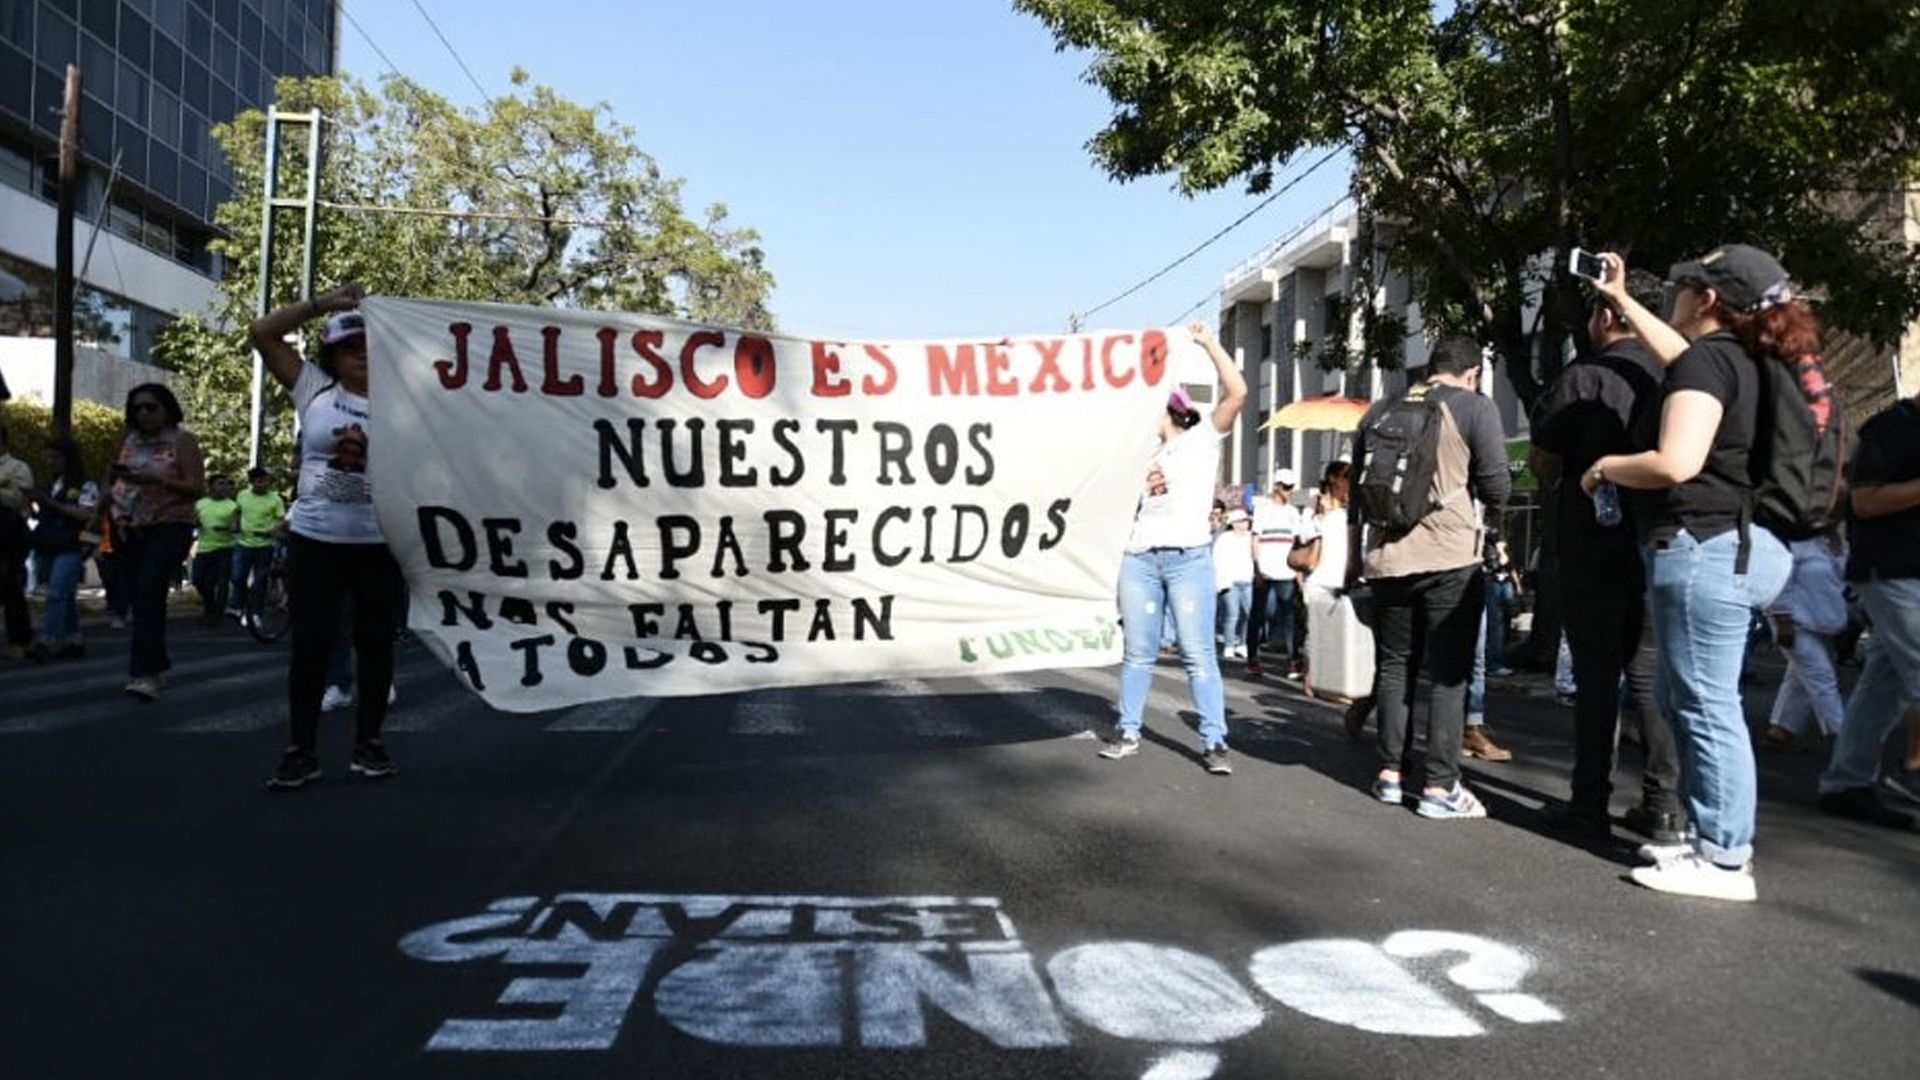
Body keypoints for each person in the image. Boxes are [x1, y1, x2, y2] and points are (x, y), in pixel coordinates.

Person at [1586, 244, 1796, 900]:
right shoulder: (1737, 359)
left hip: (1702, 545)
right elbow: (1677, 353)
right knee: (1695, 700)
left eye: (1682, 286)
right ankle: (1713, 843)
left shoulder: (1711, 362)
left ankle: (1726, 858)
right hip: (1730, 545)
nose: (1673, 296)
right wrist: (1622, 301)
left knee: (1706, 705)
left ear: (1706, 298)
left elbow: (1675, 461)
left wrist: (1606, 466)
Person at [1530, 270, 1686, 845]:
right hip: (1657, 538)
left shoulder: (1581, 378)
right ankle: (1663, 804)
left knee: (1598, 676)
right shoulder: (1676, 376)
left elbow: (1544, 465)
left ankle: (1589, 802)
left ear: (1607, 315)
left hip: (1590, 544)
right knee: (1649, 677)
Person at [1349, 336, 1511, 819]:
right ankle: (1440, 787)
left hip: (1385, 560)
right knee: (1448, 673)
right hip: (1449, 559)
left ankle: (1390, 775)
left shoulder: (1379, 410)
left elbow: (1357, 496)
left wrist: (1353, 559)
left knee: (1395, 666)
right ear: (1472, 373)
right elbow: (1498, 485)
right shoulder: (1475, 407)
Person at [251, 286, 405, 789]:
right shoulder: (312, 389)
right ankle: (301, 750)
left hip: (379, 542)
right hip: (315, 541)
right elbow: (262, 332)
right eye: (349, 348)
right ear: (332, 357)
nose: (361, 355)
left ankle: (370, 744)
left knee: (375, 644)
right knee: (311, 644)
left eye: (370, 348)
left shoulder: (409, 403)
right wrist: (325, 304)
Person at [1100, 320, 1248, 775]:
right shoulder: (1138, 453)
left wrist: (1208, 342)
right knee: (1139, 652)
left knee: (1197, 652)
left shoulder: (1203, 439)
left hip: (1188, 559)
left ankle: (1214, 741)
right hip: (1140, 557)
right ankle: (1127, 730)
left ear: (1169, 409)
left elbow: (1238, 392)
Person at [1815, 387, 1920, 829]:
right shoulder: (1892, 427)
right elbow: (1864, 501)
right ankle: (1849, 782)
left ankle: (1847, 782)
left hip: (1906, 571)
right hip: (1891, 570)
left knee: (1884, 684)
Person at [109, 383, 207, 700]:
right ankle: (156, 663)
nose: (144, 413)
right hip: (129, 525)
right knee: (136, 596)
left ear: (167, 409)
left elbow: (196, 488)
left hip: (169, 525)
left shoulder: (183, 441)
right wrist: (103, 504)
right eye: (137, 408)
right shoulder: (128, 440)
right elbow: (111, 476)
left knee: (150, 592)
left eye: (151, 407)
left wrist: (156, 479)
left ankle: (144, 674)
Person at [1762, 532, 1849, 751]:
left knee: (1800, 677)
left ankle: (1782, 729)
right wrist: (1782, 617)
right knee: (1822, 677)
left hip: (1824, 621)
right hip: (1793, 622)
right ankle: (1846, 738)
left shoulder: (1838, 543)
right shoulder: (1794, 541)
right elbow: (1778, 580)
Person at [27, 438, 99, 661]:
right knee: (63, 593)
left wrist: (50, 503)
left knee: (57, 593)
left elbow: (86, 514)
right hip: (47, 543)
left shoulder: (84, 484)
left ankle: (49, 639)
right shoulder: (49, 483)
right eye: (47, 457)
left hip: (70, 545)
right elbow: (41, 513)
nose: (50, 461)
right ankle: (74, 637)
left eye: (55, 457)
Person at [1248, 469, 1302, 677]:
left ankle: (1292, 660)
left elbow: (1296, 543)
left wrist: (1298, 572)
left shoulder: (1293, 513)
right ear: (1277, 486)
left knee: (1289, 615)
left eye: (1291, 487)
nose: (1289, 491)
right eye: (1286, 487)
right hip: (1266, 568)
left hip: (1286, 569)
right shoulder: (1262, 510)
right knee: (1258, 614)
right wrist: (1257, 569)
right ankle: (1253, 657)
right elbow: (1255, 540)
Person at [228, 466, 287, 624]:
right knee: (237, 577)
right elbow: (237, 512)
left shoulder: (275, 499)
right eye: (259, 481)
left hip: (265, 544)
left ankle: (256, 614)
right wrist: (235, 524)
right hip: (244, 542)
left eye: (266, 481)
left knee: (260, 581)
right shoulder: (242, 495)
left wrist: (274, 530)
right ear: (252, 482)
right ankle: (238, 605)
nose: (263, 484)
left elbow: (281, 520)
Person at [0, 420, 33, 656]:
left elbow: (18, 500)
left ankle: (20, 639)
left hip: (8, 531)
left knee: (10, 584)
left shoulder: (17, 468)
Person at [191, 475, 240, 623]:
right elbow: (193, 521)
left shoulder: (233, 505)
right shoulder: (200, 504)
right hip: (205, 547)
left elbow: (238, 527)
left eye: (225, 484)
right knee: (198, 580)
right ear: (210, 487)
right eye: (220, 484)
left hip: (225, 548)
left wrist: (227, 528)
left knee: (222, 582)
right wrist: (195, 523)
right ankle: (210, 607)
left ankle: (216, 614)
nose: (224, 487)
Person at [1213, 509, 1255, 660]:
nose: (1244, 524)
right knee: (1232, 615)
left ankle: (1242, 644)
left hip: (1248, 580)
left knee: (1248, 615)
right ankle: (1229, 645)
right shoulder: (1225, 538)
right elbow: (1217, 560)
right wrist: (1221, 582)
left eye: (1246, 521)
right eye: (1241, 521)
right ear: (1233, 523)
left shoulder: (1251, 537)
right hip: (1230, 582)